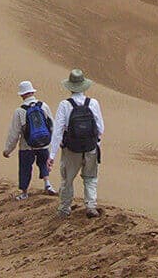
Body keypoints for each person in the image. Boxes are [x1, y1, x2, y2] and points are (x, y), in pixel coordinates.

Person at [47, 69, 104, 218]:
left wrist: (52, 155)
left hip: (71, 149)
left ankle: (64, 208)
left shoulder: (65, 105)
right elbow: (100, 128)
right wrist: (95, 142)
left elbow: (58, 131)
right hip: (91, 147)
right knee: (90, 178)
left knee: (67, 180)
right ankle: (91, 206)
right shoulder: (93, 103)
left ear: (70, 87)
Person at [2, 80, 57, 200]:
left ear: (22, 95)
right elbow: (52, 124)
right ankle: (47, 184)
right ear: (32, 92)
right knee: (43, 163)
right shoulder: (43, 106)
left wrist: (8, 150)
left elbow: (14, 133)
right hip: (43, 143)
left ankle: (24, 192)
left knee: (25, 168)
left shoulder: (19, 111)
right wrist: (52, 141)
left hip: (27, 146)